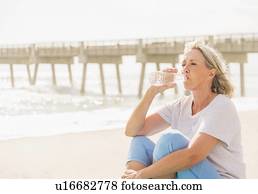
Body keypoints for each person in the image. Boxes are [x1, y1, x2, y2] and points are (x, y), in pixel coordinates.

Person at [122, 40, 246, 179]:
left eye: (193, 64)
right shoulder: (181, 106)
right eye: (183, 64)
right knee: (139, 142)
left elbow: (193, 155)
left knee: (171, 141)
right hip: (190, 177)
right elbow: (133, 130)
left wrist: (141, 174)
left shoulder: (222, 106)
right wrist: (152, 92)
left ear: (211, 73)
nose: (185, 68)